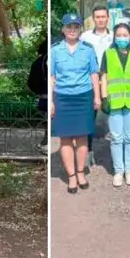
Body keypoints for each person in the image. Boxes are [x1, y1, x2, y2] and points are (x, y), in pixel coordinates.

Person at [51, 13, 101, 193]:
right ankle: (71, 176)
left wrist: (97, 97)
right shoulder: (55, 50)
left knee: (81, 137)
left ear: (80, 30)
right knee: (65, 138)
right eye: (69, 27)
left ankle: (80, 172)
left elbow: (94, 74)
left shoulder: (88, 49)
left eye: (76, 27)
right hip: (62, 98)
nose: (72, 30)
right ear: (63, 29)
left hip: (83, 97)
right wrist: (51, 101)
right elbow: (52, 76)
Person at [99, 23, 130, 187]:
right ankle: (118, 171)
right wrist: (104, 98)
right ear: (114, 37)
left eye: (125, 35)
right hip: (114, 101)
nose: (122, 38)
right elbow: (103, 77)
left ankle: (129, 170)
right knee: (116, 138)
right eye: (119, 35)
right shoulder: (108, 53)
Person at [80, 5, 112, 168]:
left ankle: (115, 156)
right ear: (93, 19)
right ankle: (88, 152)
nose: (100, 19)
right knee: (89, 118)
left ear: (108, 18)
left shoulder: (114, 37)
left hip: (110, 82)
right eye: (97, 17)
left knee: (113, 117)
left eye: (103, 16)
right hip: (90, 82)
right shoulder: (85, 37)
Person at [28, 40, 49, 154]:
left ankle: (45, 143)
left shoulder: (37, 63)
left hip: (44, 98)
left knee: (47, 122)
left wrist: (39, 91)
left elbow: (31, 83)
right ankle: (46, 144)